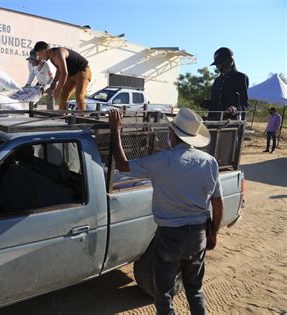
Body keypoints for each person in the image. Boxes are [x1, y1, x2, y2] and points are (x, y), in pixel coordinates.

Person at [108, 108, 224, 315]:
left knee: (164, 291)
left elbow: (123, 165)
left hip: (170, 235)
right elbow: (217, 203)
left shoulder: (162, 161)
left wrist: (115, 131)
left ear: (172, 134)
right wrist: (213, 232)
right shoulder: (209, 162)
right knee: (194, 288)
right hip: (197, 234)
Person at [33, 41, 91, 111]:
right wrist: (54, 82)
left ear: (43, 51)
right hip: (71, 75)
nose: (40, 57)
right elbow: (59, 70)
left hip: (82, 71)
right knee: (63, 96)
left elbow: (64, 73)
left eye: (39, 55)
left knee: (79, 96)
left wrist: (57, 89)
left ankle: (82, 118)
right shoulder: (52, 58)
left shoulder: (59, 53)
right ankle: (61, 116)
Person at [204, 47, 249, 121]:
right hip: (213, 122)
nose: (218, 66)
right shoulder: (218, 80)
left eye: (221, 63)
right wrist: (202, 102)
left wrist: (235, 108)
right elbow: (214, 104)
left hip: (230, 124)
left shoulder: (240, 77)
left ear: (230, 61)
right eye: (217, 64)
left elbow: (245, 105)